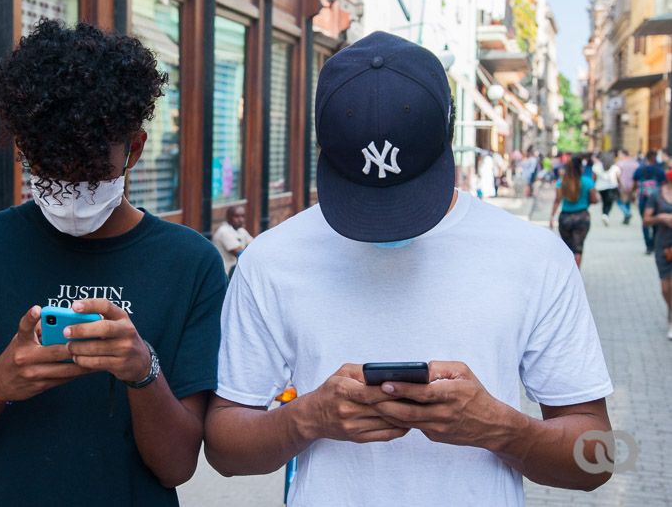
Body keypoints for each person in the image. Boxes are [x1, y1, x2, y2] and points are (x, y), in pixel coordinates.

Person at [205, 32, 613, 506]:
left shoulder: (537, 257)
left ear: (449, 135)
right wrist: (307, 419)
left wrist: (501, 428)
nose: (386, 223)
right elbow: (223, 450)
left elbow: (600, 458)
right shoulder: (270, 260)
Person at [0, 20, 227, 506]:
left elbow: (177, 465)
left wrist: (141, 369)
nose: (69, 190)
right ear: (23, 150)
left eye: (88, 171)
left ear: (135, 148)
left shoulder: (189, 265)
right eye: (49, 170)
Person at [550, 157, 599, 268]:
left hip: (565, 218)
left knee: (567, 249)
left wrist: (552, 217)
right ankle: (576, 278)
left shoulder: (561, 182)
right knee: (578, 249)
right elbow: (594, 200)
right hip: (582, 217)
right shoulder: (587, 181)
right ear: (580, 168)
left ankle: (567, 275)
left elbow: (557, 200)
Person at [643, 169, 672, 340]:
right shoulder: (656, 195)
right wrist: (660, 218)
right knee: (665, 287)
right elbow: (646, 220)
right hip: (662, 245)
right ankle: (670, 310)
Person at [632, 150, 667, 253]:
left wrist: (632, 195)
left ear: (646, 158)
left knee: (645, 222)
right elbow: (664, 185)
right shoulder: (660, 171)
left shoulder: (640, 170)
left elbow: (635, 184)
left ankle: (648, 246)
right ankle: (654, 243)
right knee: (656, 222)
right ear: (655, 158)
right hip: (657, 201)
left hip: (643, 199)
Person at [212, 206, 254, 277]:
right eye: (237, 216)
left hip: (235, 271)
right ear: (229, 217)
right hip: (225, 273)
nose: (241, 219)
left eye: (243, 216)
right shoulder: (224, 231)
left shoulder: (241, 230)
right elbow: (240, 253)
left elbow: (255, 245)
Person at [594, 154, 621, 226]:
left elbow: (594, 177)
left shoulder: (597, 166)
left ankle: (604, 214)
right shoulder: (615, 167)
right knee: (609, 202)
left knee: (604, 202)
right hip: (612, 187)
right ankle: (606, 214)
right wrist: (620, 185)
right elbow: (618, 178)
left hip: (600, 187)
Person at [616, 149, 639, 224]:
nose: (618, 156)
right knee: (628, 201)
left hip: (622, 185)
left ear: (623, 154)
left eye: (619, 154)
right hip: (632, 185)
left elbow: (617, 175)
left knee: (619, 201)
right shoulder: (635, 163)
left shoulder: (620, 163)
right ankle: (626, 217)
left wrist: (618, 184)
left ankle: (627, 213)